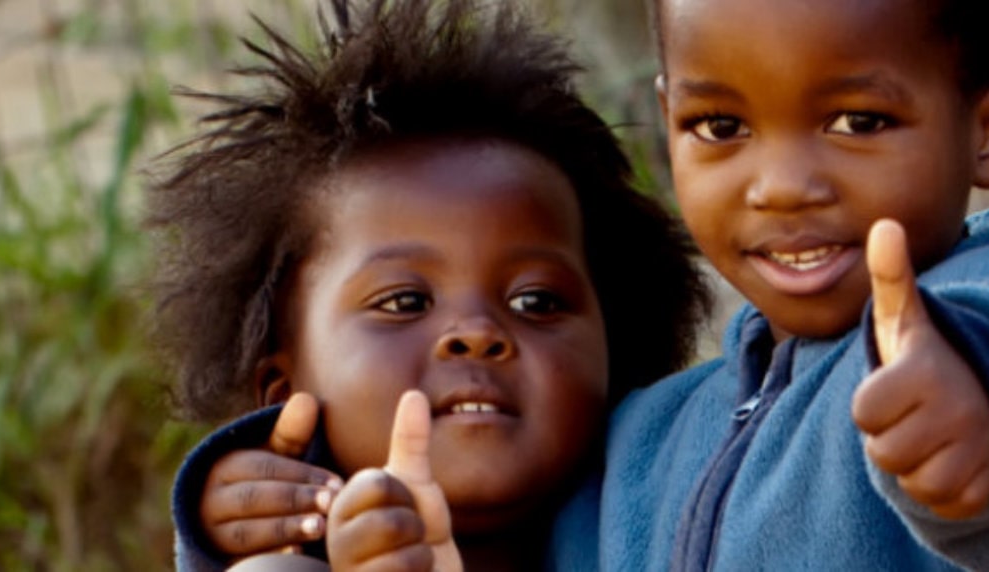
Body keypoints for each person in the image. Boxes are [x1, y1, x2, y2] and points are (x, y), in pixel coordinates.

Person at [543, 0, 989, 569]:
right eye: (721, 127)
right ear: (669, 123)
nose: (780, 187)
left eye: (857, 122)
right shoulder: (646, 439)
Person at [144, 0, 708, 569]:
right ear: (283, 394)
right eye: (405, 302)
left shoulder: (673, 508)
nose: (477, 334)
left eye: (535, 301)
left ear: (613, 347)